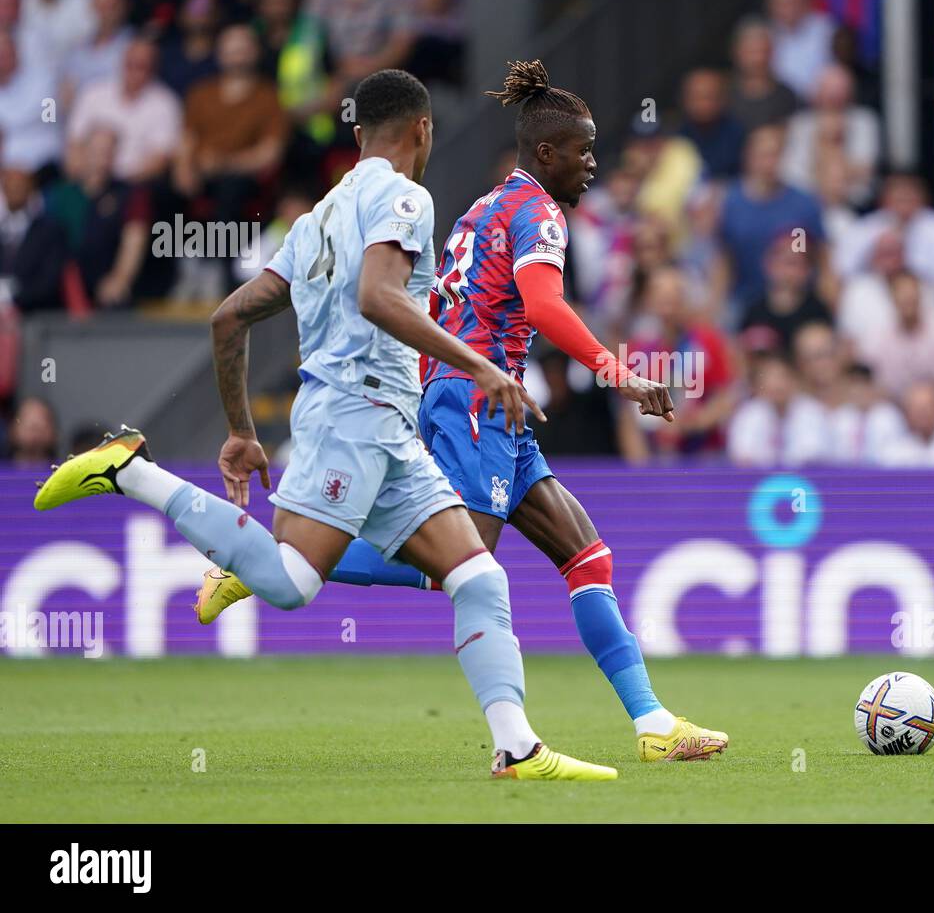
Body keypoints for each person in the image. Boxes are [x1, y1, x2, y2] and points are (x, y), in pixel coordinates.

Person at [34, 68, 613, 782]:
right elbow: (378, 297)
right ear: (422, 131)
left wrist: (241, 430)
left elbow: (229, 317)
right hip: (354, 415)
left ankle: (516, 747)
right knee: (291, 582)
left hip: (388, 423)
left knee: (478, 577)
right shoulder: (406, 197)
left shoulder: (317, 217)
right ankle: (132, 470)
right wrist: (483, 366)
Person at [207, 60, 727, 763]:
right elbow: (541, 305)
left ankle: (652, 724)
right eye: (584, 151)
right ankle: (275, 560)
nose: (592, 166)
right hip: (476, 398)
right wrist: (619, 374)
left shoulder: (485, 206)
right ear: (547, 153)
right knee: (459, 565)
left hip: (488, 400)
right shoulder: (536, 211)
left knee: (587, 556)